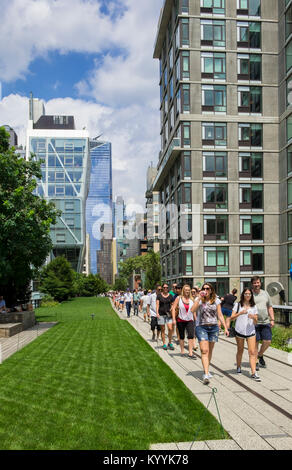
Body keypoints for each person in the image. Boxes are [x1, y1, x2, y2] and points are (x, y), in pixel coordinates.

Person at [191, 283, 229, 385]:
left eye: (208, 288)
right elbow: (192, 310)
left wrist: (225, 328)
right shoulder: (198, 300)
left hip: (213, 328)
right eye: (204, 288)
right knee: (204, 350)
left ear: (211, 290)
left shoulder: (216, 301)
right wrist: (199, 298)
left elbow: (220, 315)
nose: (205, 290)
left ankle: (206, 368)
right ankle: (206, 374)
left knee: (210, 351)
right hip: (201, 327)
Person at [230, 288, 260, 382]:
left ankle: (253, 372)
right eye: (246, 294)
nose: (248, 295)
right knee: (240, 350)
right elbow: (232, 318)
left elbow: (256, 321)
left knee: (252, 352)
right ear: (243, 295)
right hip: (240, 331)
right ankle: (238, 367)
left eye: (249, 294)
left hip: (251, 332)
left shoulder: (254, 306)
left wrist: (253, 318)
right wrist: (240, 313)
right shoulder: (238, 305)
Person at [251, 276, 275, 370]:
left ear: (260, 283)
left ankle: (260, 355)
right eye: (255, 283)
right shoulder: (250, 294)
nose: (256, 284)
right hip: (254, 323)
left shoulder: (265, 293)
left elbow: (270, 307)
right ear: (252, 284)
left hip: (265, 322)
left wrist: (272, 319)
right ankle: (255, 361)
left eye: (258, 283)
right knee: (255, 343)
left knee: (267, 341)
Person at [172, 284, 196, 358]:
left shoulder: (192, 299)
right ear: (183, 290)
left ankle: (190, 353)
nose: (187, 291)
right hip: (180, 320)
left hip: (190, 320)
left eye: (189, 290)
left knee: (191, 336)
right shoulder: (179, 298)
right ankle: (182, 351)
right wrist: (173, 319)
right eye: (186, 290)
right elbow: (173, 308)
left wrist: (196, 319)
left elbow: (194, 310)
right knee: (182, 336)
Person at [156, 283, 175, 351]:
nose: (165, 288)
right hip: (161, 314)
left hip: (168, 314)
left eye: (166, 287)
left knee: (170, 328)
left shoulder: (170, 296)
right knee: (163, 329)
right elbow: (157, 304)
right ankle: (164, 343)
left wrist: (172, 308)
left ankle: (170, 342)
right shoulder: (159, 296)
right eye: (164, 287)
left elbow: (173, 304)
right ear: (162, 288)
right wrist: (157, 313)